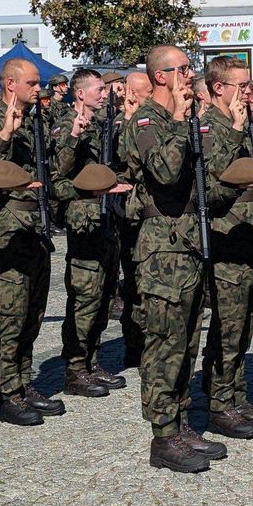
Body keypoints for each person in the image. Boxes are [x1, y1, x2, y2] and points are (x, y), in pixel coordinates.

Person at [124, 45, 227, 473]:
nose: (188, 74)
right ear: (160, 76)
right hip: (161, 246)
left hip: (186, 241)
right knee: (165, 342)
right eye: (180, 69)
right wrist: (185, 124)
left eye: (190, 67)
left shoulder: (179, 119)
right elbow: (165, 172)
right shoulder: (146, 120)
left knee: (187, 340)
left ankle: (181, 421)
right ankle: (163, 435)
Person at [0, 58, 65, 426]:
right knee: (10, 315)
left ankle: (24, 382)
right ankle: (6, 393)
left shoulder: (34, 123)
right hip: (9, 228)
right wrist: (4, 136)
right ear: (10, 84)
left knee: (32, 313)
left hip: (35, 228)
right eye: (31, 82)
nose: (38, 88)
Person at [199, 56, 253, 441]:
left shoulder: (244, 123)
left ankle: (236, 393)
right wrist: (234, 129)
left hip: (249, 235)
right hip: (226, 237)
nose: (248, 92)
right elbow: (216, 181)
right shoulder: (209, 127)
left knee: (245, 322)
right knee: (228, 326)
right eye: (241, 86)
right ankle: (219, 402)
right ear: (219, 88)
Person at [53, 69, 132, 397]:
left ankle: (92, 360)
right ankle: (74, 368)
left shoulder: (102, 125)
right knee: (84, 297)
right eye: (100, 90)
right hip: (83, 220)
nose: (105, 94)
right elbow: (57, 172)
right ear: (80, 93)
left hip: (106, 219)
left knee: (103, 296)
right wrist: (73, 136)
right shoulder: (64, 124)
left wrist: (126, 120)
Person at [116, 71, 153, 368]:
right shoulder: (124, 124)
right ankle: (134, 344)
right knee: (134, 284)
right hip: (130, 214)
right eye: (145, 93)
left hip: (148, 213)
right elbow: (123, 160)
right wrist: (129, 119)